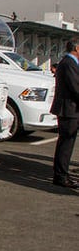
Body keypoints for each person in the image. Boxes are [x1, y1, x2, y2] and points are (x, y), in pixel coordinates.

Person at [50, 40, 79, 189]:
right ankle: (61, 176)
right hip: (69, 109)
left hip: (72, 109)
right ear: (77, 48)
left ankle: (62, 173)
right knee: (66, 144)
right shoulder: (68, 63)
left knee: (67, 142)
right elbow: (76, 88)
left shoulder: (70, 62)